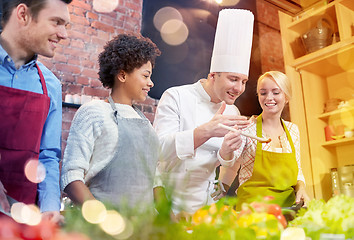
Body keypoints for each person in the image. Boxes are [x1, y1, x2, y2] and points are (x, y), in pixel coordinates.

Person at [153, 9, 254, 216]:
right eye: (233, 79)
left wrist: (227, 151)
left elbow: (224, 161)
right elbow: (159, 150)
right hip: (170, 204)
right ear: (213, 75)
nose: (239, 88)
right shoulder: (176, 96)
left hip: (206, 207)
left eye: (244, 81)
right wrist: (205, 131)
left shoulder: (232, 110)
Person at [60, 34, 161, 212]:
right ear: (122, 75)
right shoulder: (94, 112)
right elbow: (71, 176)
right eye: (145, 76)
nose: (150, 83)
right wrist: (103, 219)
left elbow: (153, 178)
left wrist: (167, 215)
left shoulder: (146, 124)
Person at [0, 0, 71, 222]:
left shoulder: (50, 85)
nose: (63, 34)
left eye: (66, 25)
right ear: (23, 15)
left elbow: (48, 155)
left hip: (22, 220)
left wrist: (50, 208)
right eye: (56, 22)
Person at [216, 71, 311, 210]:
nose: (269, 98)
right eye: (263, 93)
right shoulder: (247, 128)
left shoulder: (293, 130)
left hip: (288, 209)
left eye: (276, 92)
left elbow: (298, 169)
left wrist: (302, 187)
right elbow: (229, 163)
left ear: (286, 97)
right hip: (252, 211)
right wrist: (226, 148)